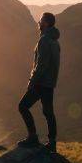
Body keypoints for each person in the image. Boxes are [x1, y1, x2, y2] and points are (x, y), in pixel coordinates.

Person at [18, 11, 60, 151]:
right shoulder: (55, 41)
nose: (38, 22)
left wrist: (32, 80)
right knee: (48, 112)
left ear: (46, 23)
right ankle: (52, 142)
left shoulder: (44, 40)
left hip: (40, 83)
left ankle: (32, 137)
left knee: (23, 106)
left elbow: (40, 64)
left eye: (41, 20)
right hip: (49, 83)